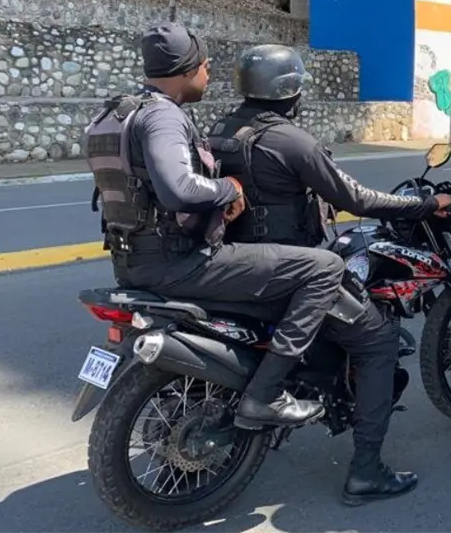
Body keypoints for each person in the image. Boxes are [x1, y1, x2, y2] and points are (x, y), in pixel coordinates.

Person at [207, 45, 451, 504]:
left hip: (232, 265)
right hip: (290, 271)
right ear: (289, 91)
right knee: (378, 342)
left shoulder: (222, 131)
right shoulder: (291, 141)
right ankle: (366, 471)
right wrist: (427, 203)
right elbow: (356, 199)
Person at [84, 23, 342, 433]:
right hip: (179, 263)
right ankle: (266, 394)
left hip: (129, 260)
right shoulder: (163, 117)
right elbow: (178, 189)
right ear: (187, 69)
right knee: (324, 267)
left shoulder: (117, 112)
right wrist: (228, 188)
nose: (208, 74)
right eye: (205, 66)